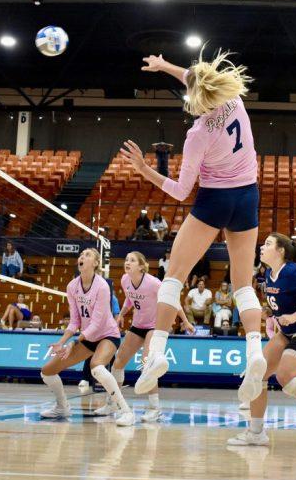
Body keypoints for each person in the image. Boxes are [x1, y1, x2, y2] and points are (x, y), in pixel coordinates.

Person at [120, 52, 265, 404]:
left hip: (215, 200)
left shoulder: (197, 133)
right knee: (243, 285)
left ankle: (156, 352)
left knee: (174, 276)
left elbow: (181, 191)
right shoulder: (234, 98)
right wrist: (166, 66)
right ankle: (254, 351)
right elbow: (195, 76)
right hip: (247, 196)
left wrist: (144, 170)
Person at [227, 233, 296, 449]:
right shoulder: (270, 274)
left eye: (268, 244)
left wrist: (294, 316)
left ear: (281, 250)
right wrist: (269, 312)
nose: (262, 247)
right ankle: (256, 432)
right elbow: (283, 303)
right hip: (287, 332)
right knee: (257, 373)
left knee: (285, 376)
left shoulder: (294, 272)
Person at [39, 248, 135, 424]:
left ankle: (125, 411)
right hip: (87, 338)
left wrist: (74, 342)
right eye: (81, 255)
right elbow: (74, 321)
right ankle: (62, 407)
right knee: (47, 372)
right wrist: (61, 342)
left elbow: (97, 324)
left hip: (107, 334)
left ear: (96, 263)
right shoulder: (72, 286)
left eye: (88, 255)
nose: (82, 257)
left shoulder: (102, 286)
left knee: (96, 366)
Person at [99, 252, 193, 422]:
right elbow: (129, 299)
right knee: (118, 361)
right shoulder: (125, 279)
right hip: (137, 326)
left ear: (141, 266)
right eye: (126, 259)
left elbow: (172, 300)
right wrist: (121, 314)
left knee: (146, 364)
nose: (127, 262)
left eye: (132, 260)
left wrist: (185, 321)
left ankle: (154, 408)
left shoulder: (153, 283)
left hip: (154, 327)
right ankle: (112, 402)